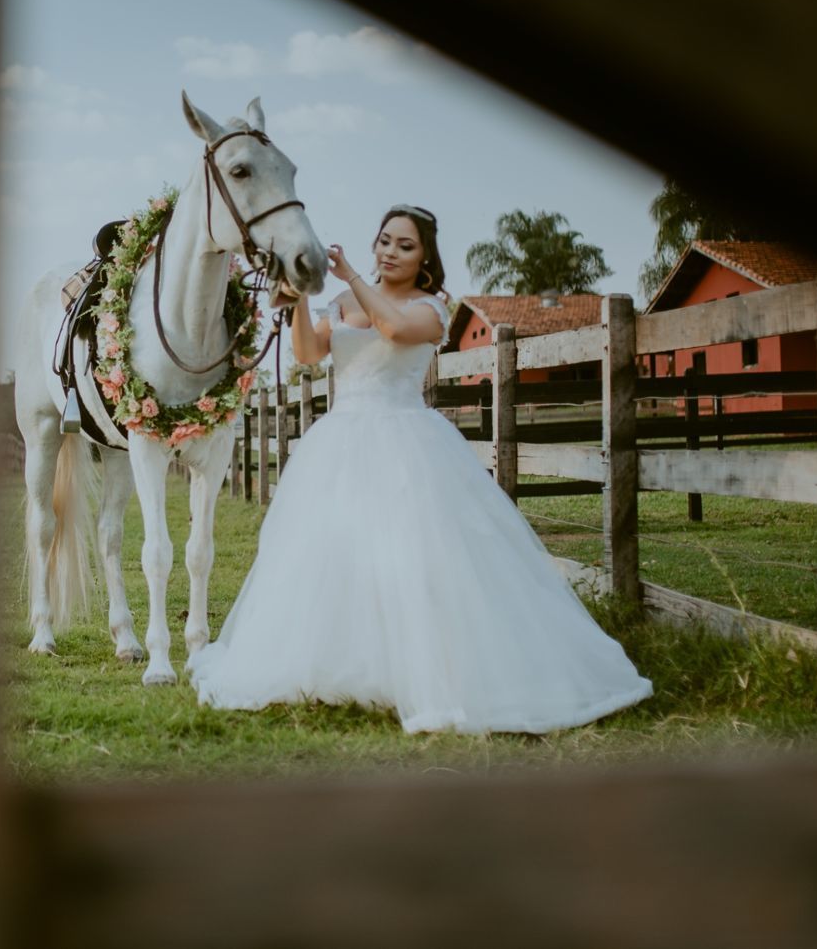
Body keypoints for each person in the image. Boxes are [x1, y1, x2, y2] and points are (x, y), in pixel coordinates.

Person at [189, 204, 653, 733]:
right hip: (339, 441)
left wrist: (353, 278)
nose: (390, 251)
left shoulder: (431, 308)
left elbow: (393, 328)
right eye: (384, 240)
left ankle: (437, 671)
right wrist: (297, 300)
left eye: (404, 245)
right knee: (330, 556)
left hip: (406, 440)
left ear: (425, 257)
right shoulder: (343, 301)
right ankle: (346, 664)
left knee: (416, 557)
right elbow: (308, 351)